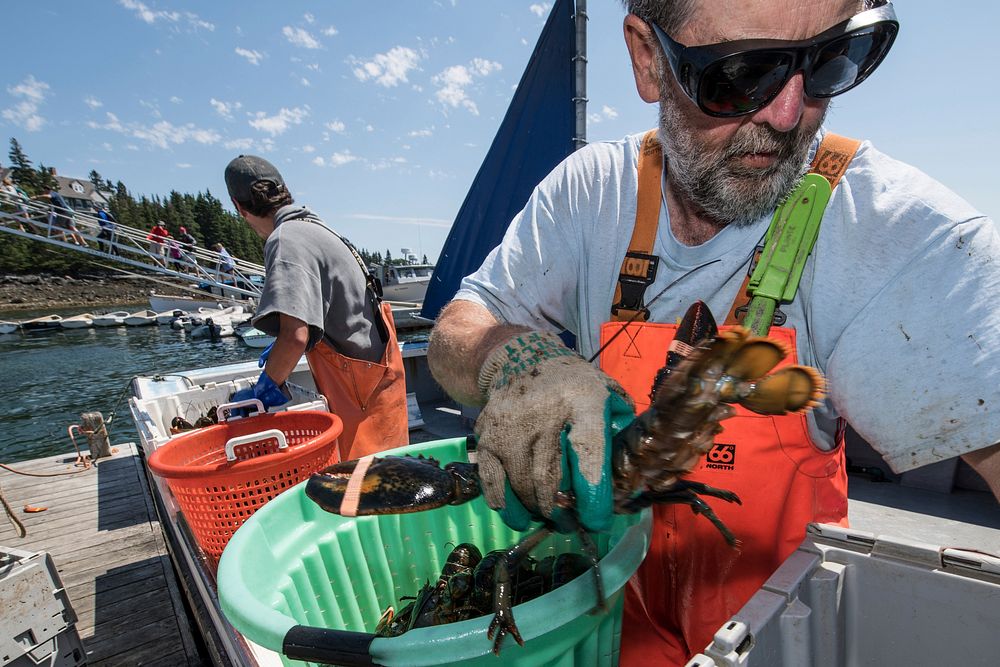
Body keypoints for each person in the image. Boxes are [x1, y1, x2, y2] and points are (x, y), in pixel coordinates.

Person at [425, 1, 1000, 664]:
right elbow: (460, 325)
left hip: (781, 637)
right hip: (614, 627)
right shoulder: (590, 194)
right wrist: (511, 356)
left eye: (832, 60)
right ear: (646, 58)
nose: (788, 116)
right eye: (739, 73)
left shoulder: (893, 231)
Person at [225, 155, 409, 461]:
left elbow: (294, 336)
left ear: (239, 207)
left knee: (363, 492)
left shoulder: (285, 239)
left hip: (359, 397)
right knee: (395, 483)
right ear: (284, 189)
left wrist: (265, 389)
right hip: (382, 384)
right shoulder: (321, 229)